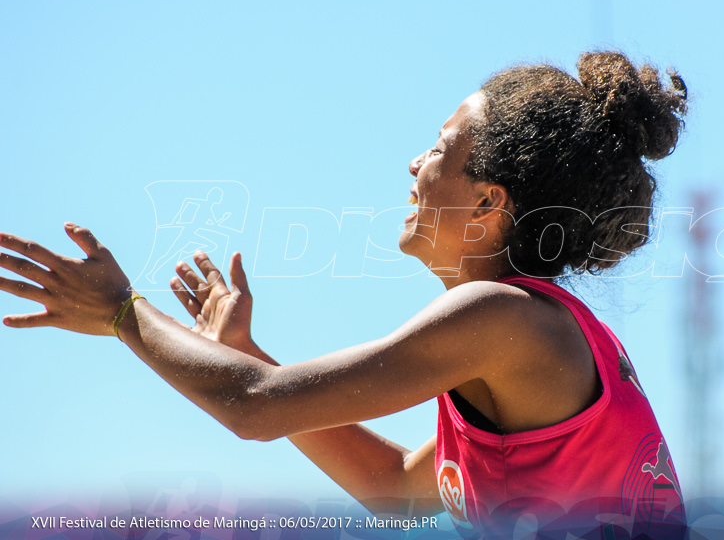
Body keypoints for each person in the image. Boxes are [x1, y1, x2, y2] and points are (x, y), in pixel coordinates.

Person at [0, 51, 687, 539]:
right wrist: (247, 352)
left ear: (486, 201)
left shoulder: (502, 318)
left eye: (439, 148)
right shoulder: (533, 336)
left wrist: (122, 312)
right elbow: (394, 490)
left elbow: (254, 406)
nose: (415, 164)